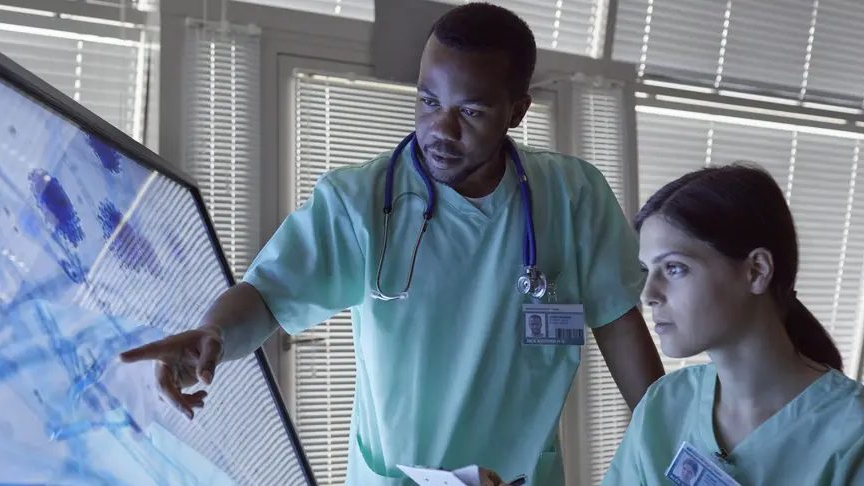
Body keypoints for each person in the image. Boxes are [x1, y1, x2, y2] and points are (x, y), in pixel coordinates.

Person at [120, 3, 665, 485]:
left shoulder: (573, 198)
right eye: (429, 101)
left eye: (470, 112)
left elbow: (619, 327)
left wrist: (667, 450)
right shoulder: (359, 201)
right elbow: (267, 296)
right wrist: (215, 331)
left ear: (516, 112)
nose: (440, 129)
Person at [601, 163, 864, 485]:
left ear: (756, 271)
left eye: (674, 268)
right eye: (646, 271)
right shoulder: (664, 404)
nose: (649, 294)